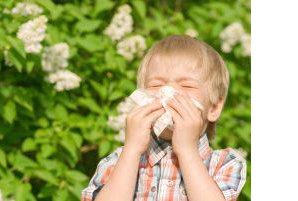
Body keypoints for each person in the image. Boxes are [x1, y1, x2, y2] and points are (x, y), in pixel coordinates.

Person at [81, 35, 247, 201]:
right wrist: (131, 150)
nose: (168, 93)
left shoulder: (225, 163)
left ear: (214, 108)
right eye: (156, 85)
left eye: (187, 86)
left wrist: (187, 150)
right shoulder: (118, 161)